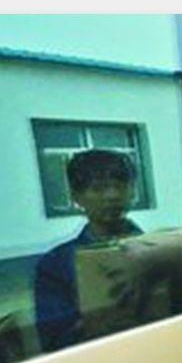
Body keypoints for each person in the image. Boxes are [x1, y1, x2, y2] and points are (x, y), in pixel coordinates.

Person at [34, 149, 142, 352]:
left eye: (120, 186)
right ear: (77, 197)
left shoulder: (161, 250)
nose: (112, 196)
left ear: (133, 191)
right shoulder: (56, 265)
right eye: (98, 188)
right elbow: (54, 339)